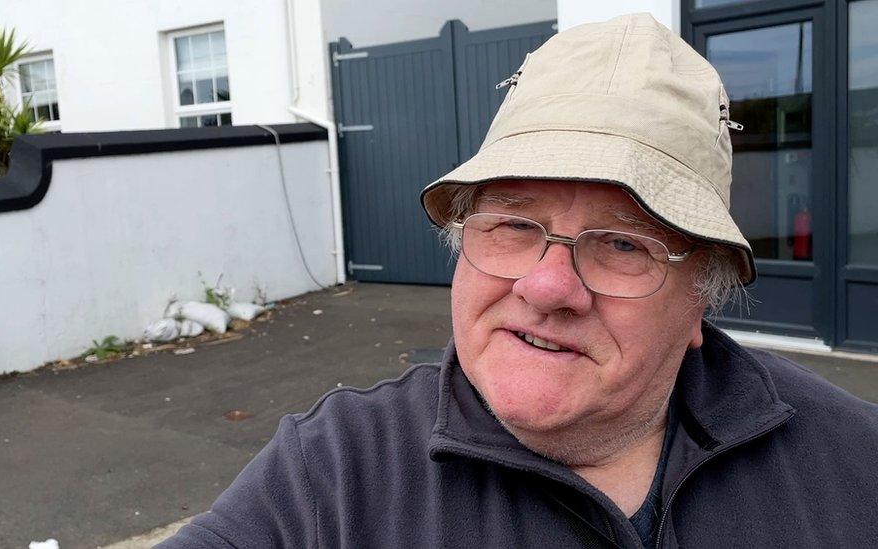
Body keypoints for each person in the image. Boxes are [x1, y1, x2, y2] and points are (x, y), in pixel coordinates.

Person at [159, 13, 878, 548]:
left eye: (623, 244)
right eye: (511, 224)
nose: (546, 286)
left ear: (701, 297)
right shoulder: (333, 477)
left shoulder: (850, 463)